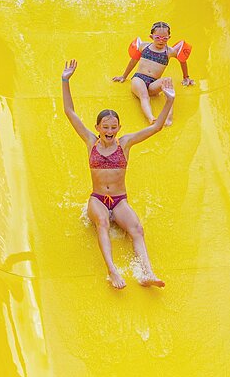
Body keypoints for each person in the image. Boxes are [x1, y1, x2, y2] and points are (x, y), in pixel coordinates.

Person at [62, 58, 172, 288]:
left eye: (113, 128)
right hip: (98, 200)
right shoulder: (90, 141)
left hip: (120, 200)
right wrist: (65, 81)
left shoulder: (126, 143)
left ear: (119, 128)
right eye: (105, 127)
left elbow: (156, 127)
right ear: (98, 128)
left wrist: (169, 101)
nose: (110, 131)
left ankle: (147, 273)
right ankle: (112, 271)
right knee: (102, 222)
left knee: (137, 229)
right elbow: (70, 112)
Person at [112, 21, 193, 126]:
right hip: (139, 79)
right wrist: (123, 76)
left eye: (165, 38)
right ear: (151, 36)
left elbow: (182, 60)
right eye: (158, 37)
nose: (161, 41)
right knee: (144, 96)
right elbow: (133, 61)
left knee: (167, 81)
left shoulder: (169, 51)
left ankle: (168, 118)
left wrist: (186, 77)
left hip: (153, 84)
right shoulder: (143, 46)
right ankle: (151, 118)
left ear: (169, 37)